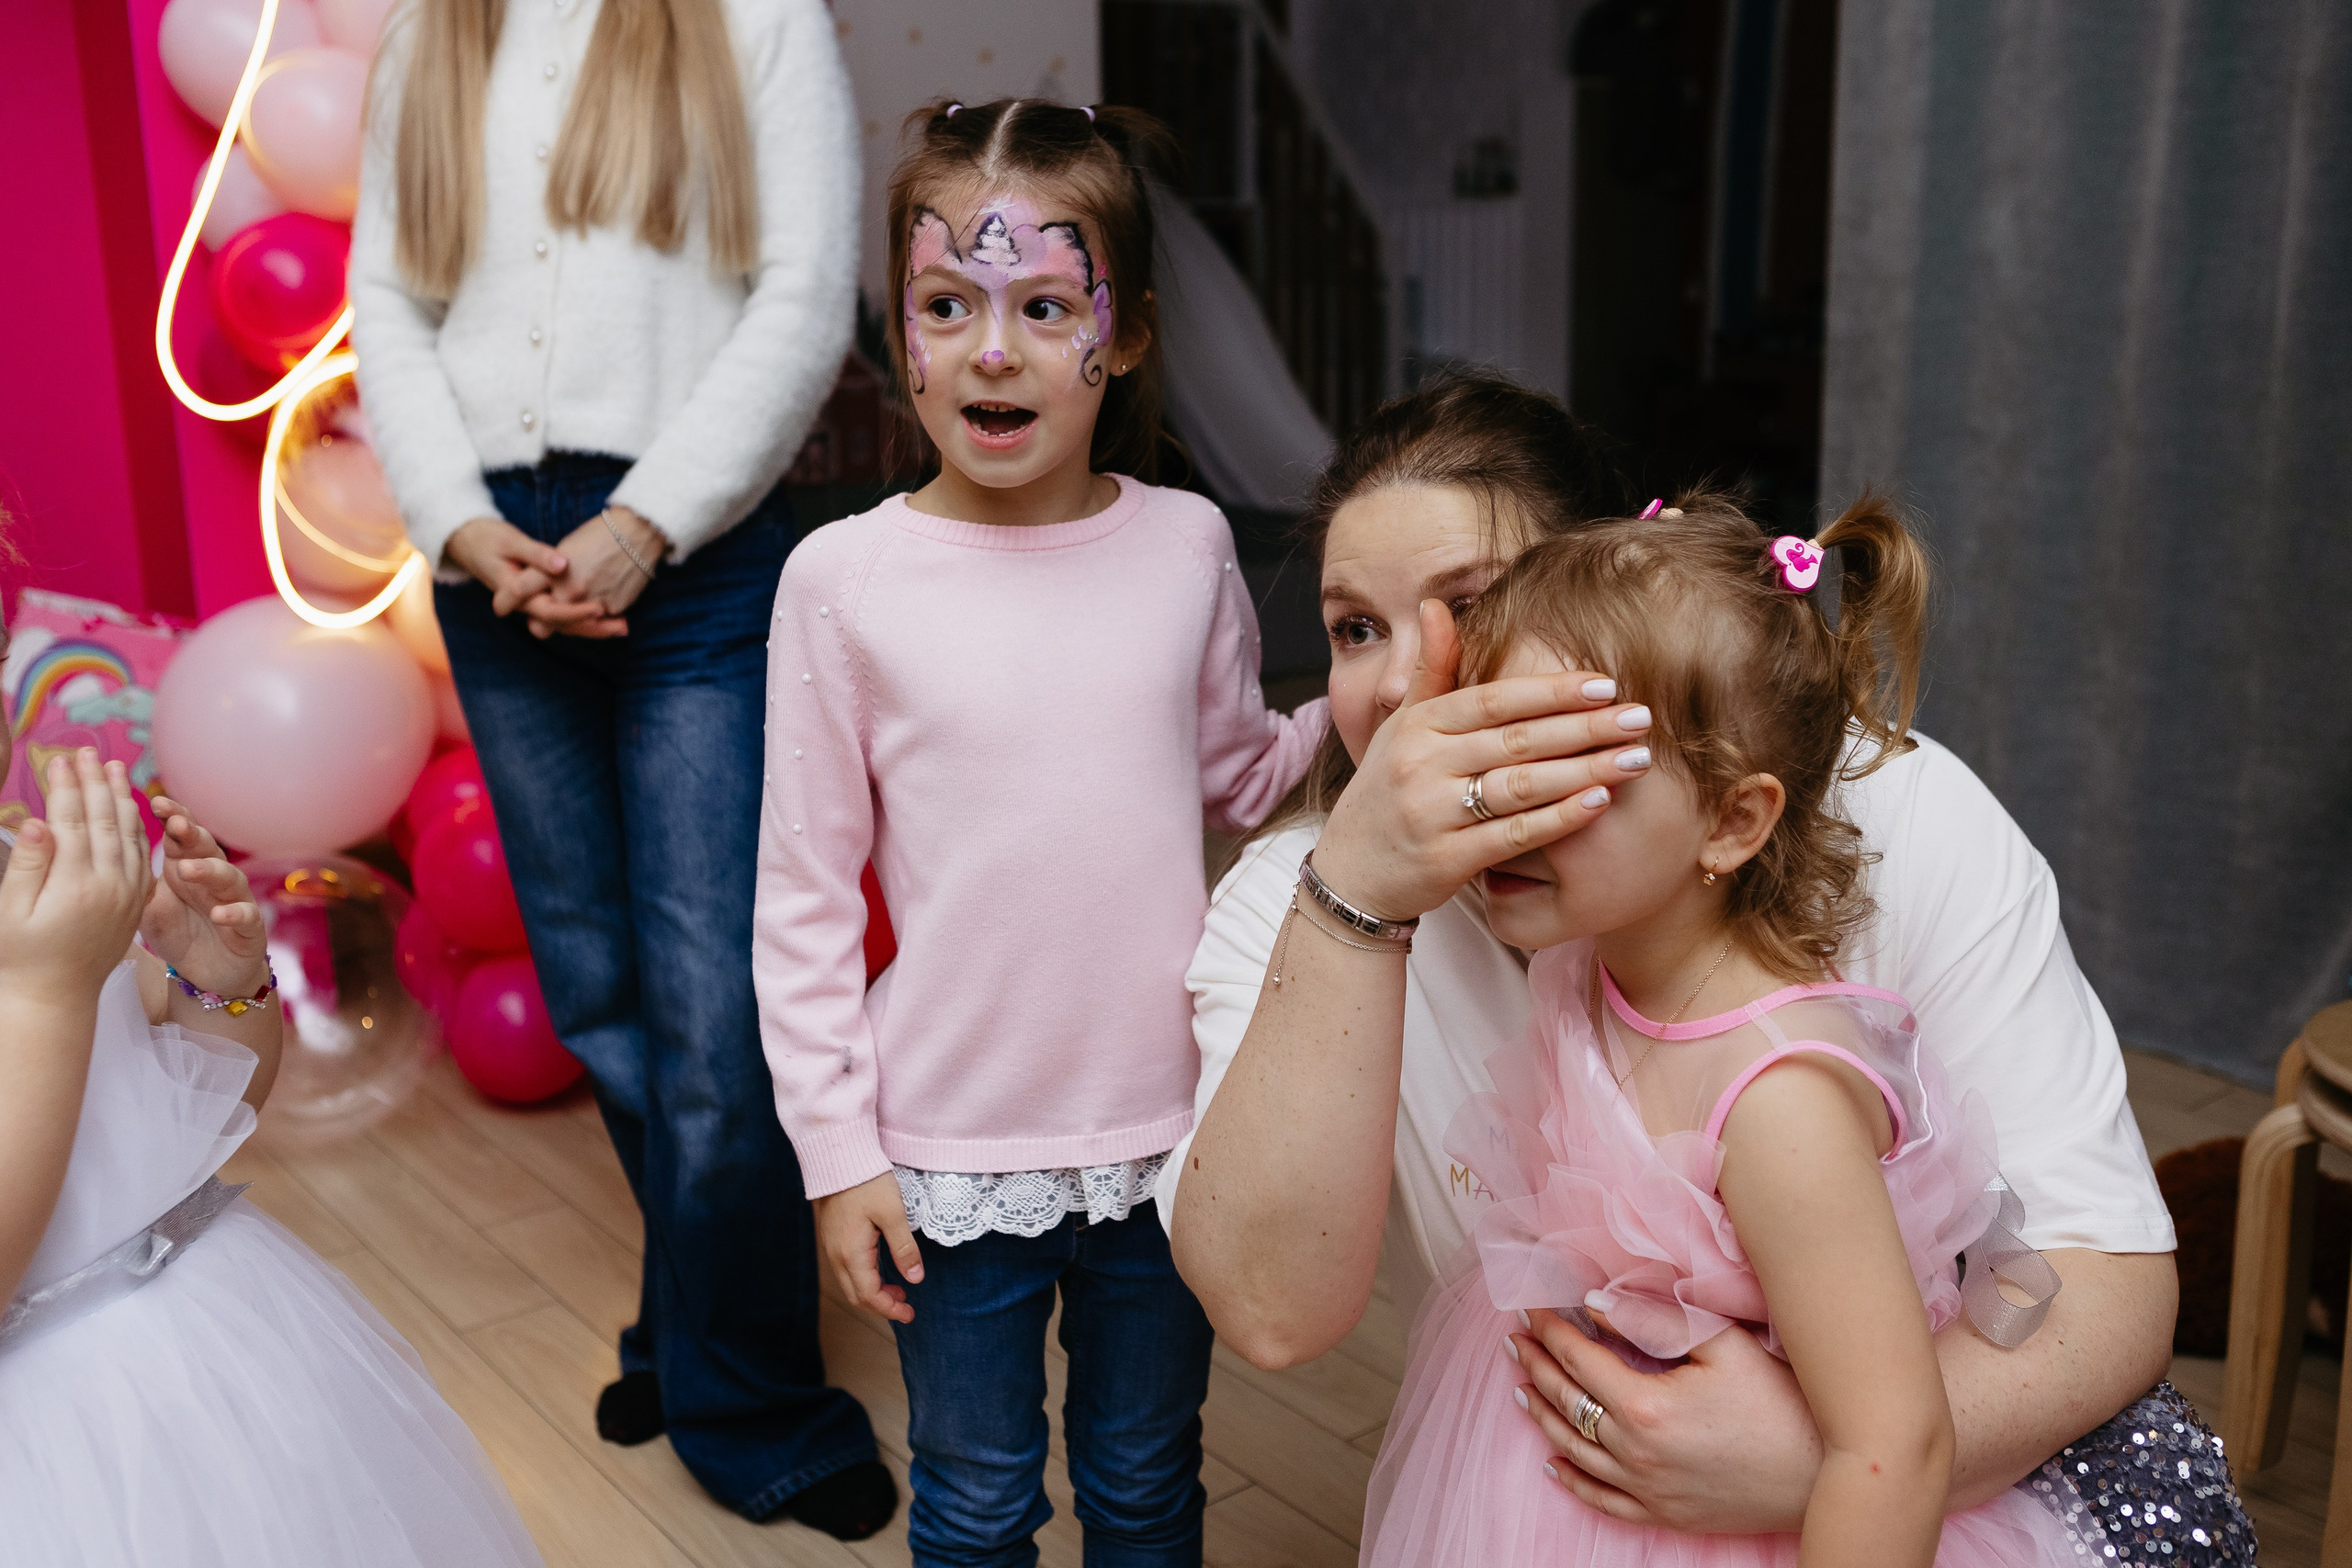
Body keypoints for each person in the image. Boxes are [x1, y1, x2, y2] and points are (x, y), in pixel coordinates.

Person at [1164, 375, 2247, 1560]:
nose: (1402, 691)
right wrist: (1356, 900)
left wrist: (1812, 1464)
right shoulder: (1301, 899)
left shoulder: (1893, 814)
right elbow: (1270, 1314)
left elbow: (2109, 1275)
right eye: (1354, 629)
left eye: (1475, 610)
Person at [753, 99, 1324, 1567]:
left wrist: (1373, 706)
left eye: (1045, 304)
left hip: (1165, 1131)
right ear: (903, 327)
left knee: (1145, 1483)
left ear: (1121, 335)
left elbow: (1242, 774)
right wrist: (836, 1152)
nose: (992, 349)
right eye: (947, 303)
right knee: (977, 1495)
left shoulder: (1189, 541)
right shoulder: (842, 580)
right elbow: (803, 892)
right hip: (945, 1152)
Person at [350, 0, 889, 1535]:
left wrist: (648, 523)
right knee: (600, 996)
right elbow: (385, 298)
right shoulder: (429, 37)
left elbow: (802, 298)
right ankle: (701, 1322)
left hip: (696, 556)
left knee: (720, 1025)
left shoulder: (753, 20)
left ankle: (757, 1393)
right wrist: (458, 526)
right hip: (493, 557)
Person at [1363, 493, 2086, 1563]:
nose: (1505, 805)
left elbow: (1892, 1444)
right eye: (1497, 756)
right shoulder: (1587, 958)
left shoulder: (1776, 1104)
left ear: (1734, 819)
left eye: (1576, 771)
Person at [0, 746, 544, 1567]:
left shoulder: (30, 865)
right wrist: (47, 992)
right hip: (61, 1427)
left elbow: (196, 1109)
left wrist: (218, 982)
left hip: (233, 1336)